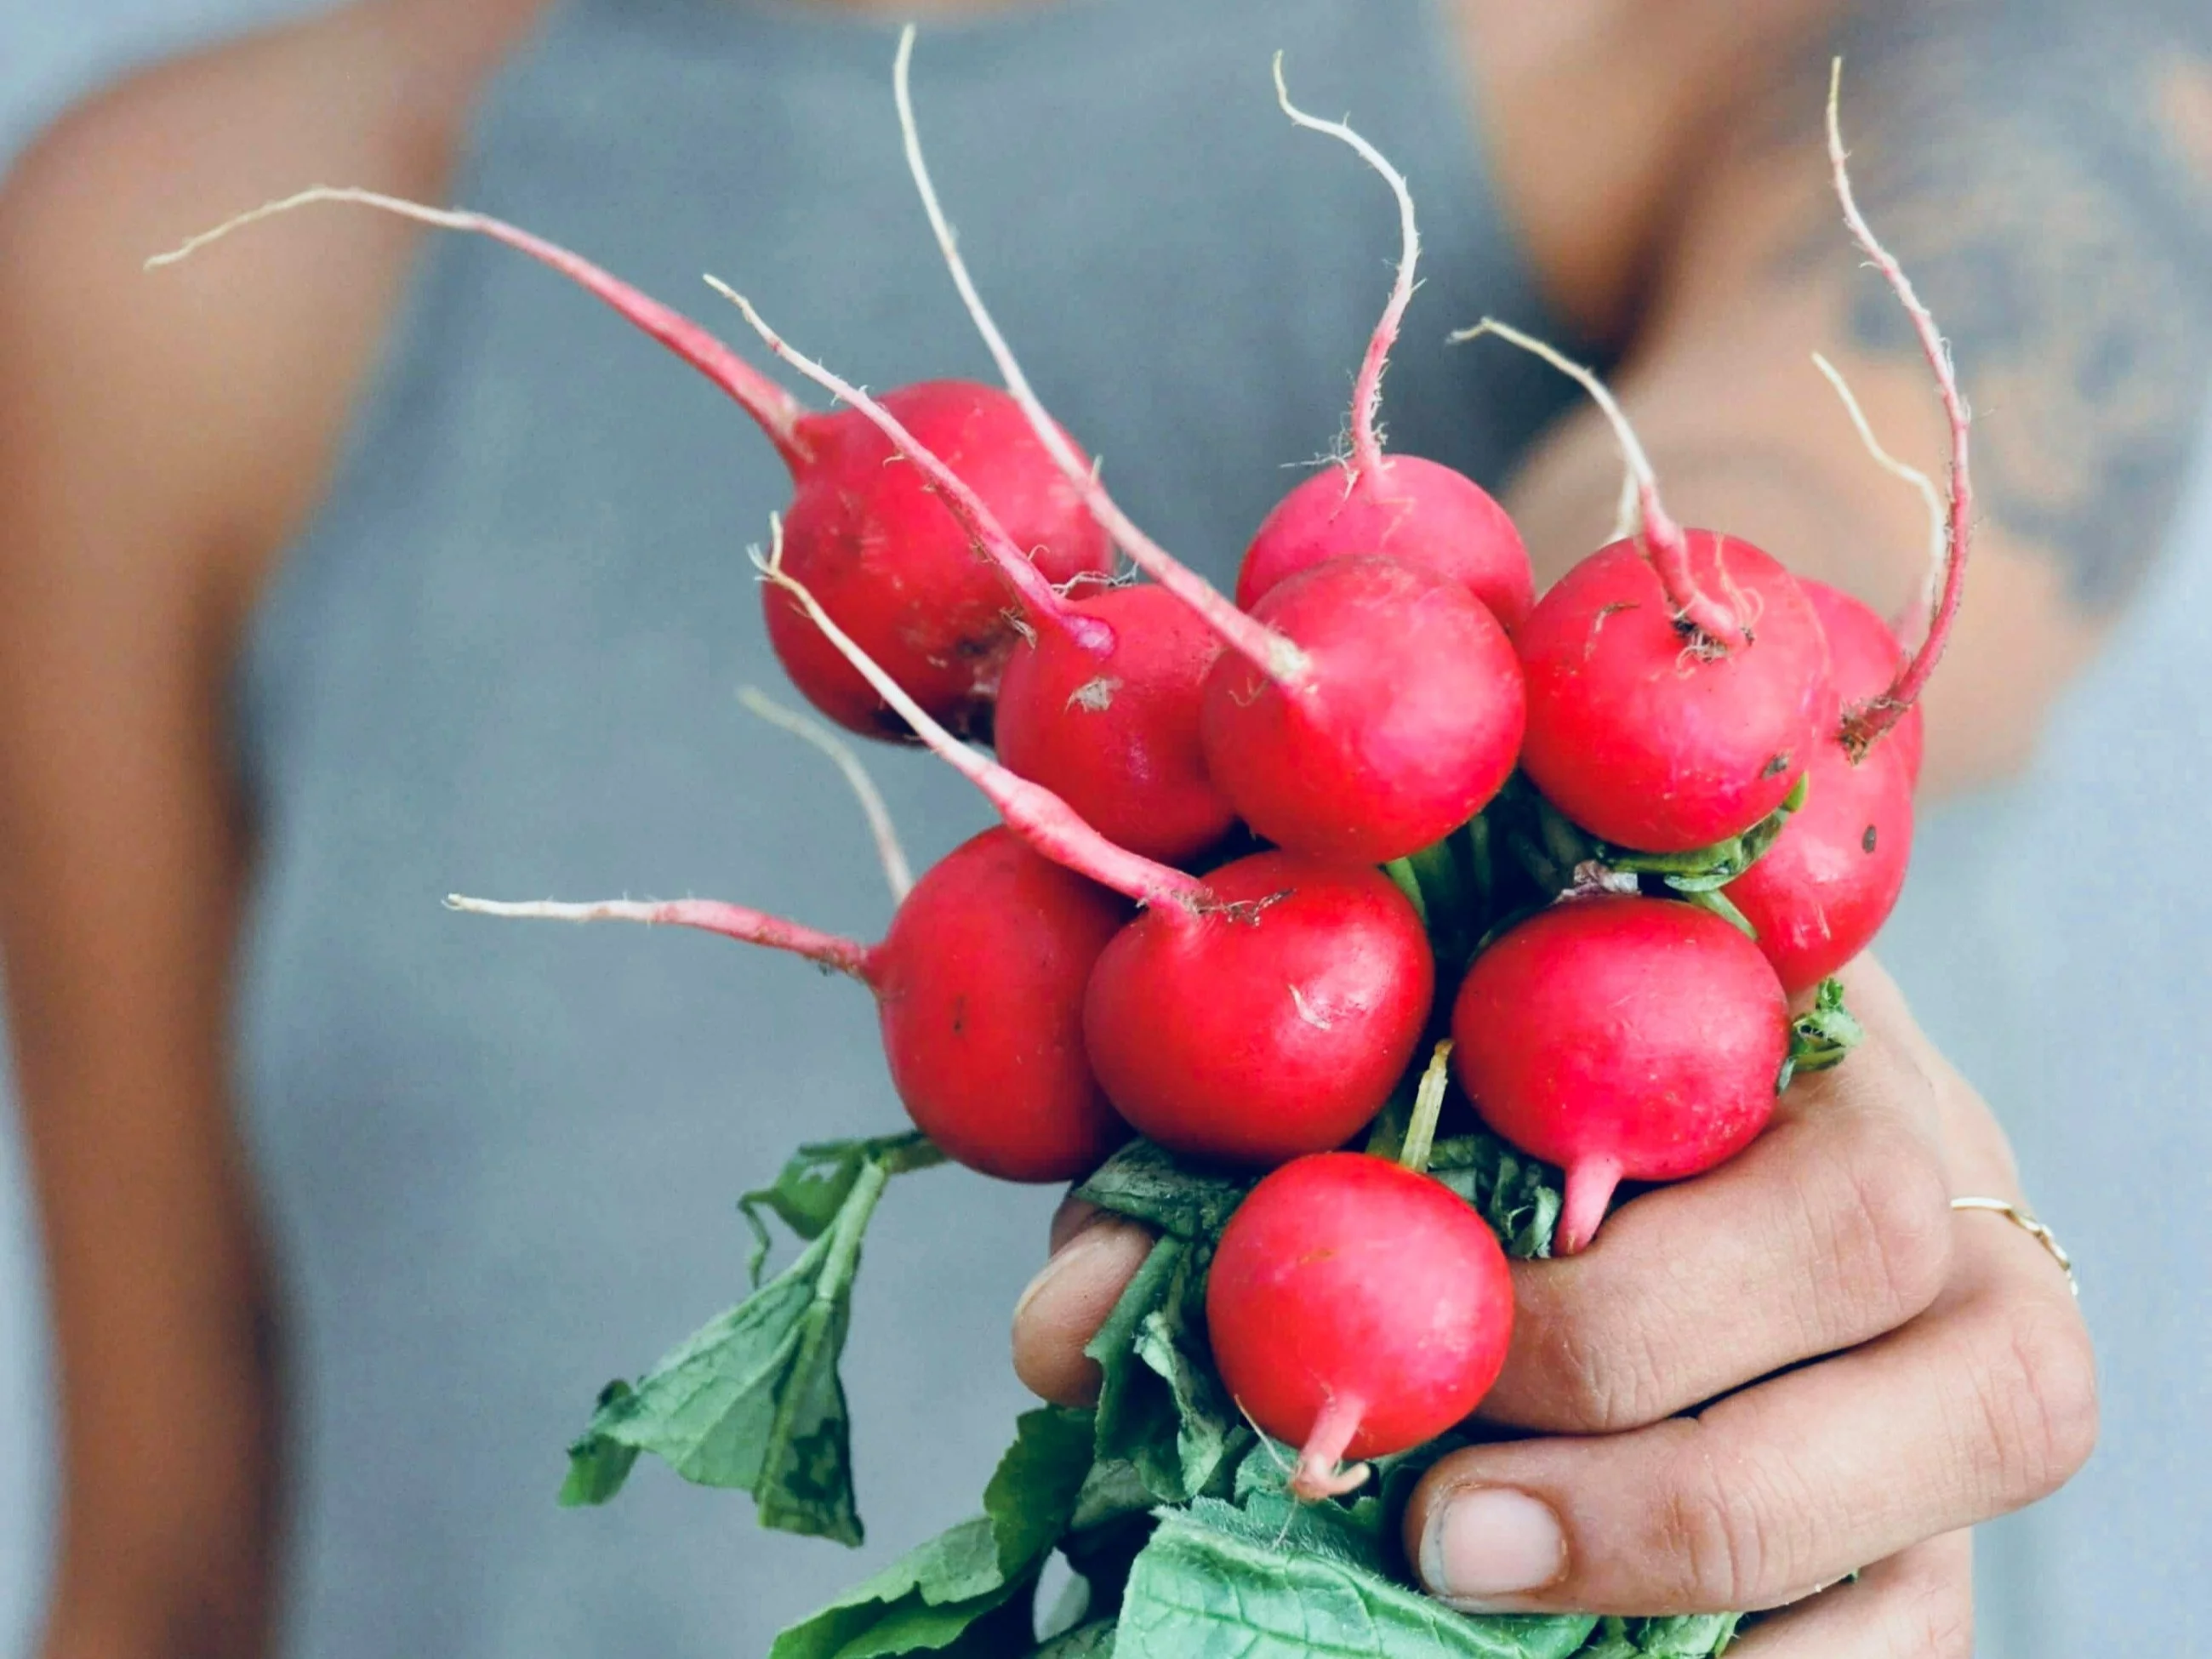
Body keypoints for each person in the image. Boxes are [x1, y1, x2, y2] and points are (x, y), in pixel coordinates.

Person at [0, 0, 2199, 1653]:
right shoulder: (161, 268)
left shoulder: (1832, 49)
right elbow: (175, 1570)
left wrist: (1621, 854)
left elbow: (1823, 483)